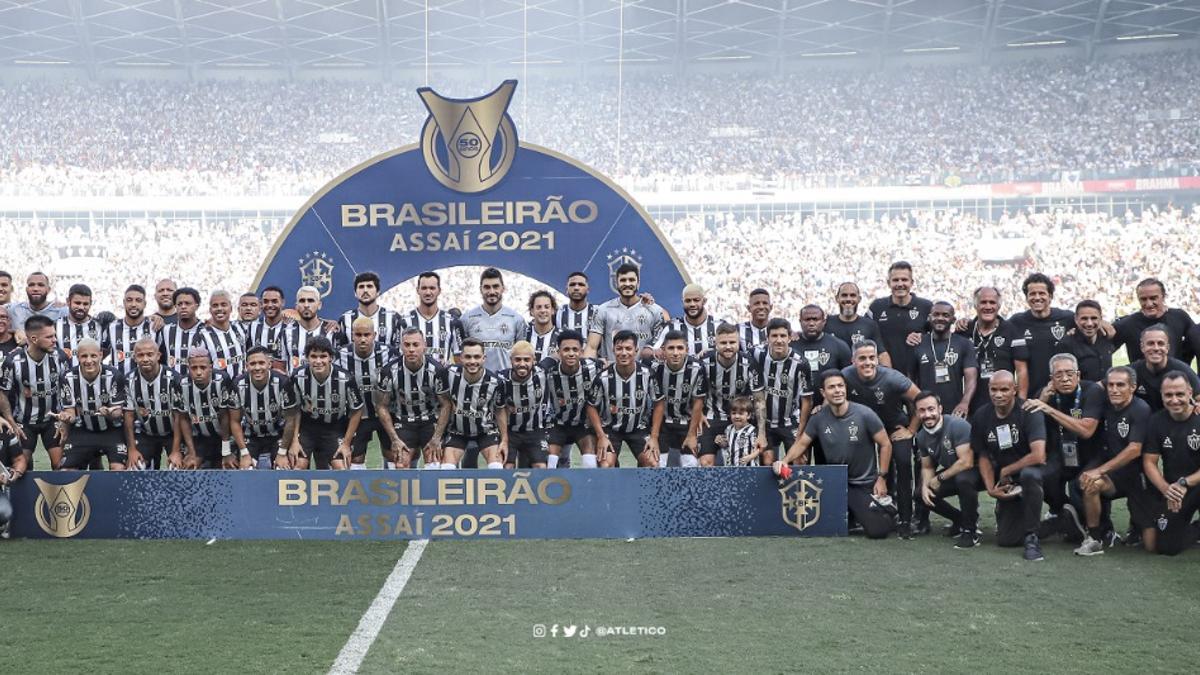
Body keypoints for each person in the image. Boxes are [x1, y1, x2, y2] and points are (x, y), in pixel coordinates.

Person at [775, 370, 894, 539]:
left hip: (863, 483)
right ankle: (856, 513)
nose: (837, 390)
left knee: (878, 531)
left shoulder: (865, 414)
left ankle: (885, 509)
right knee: (820, 525)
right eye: (831, 387)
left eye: (840, 386)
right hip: (835, 483)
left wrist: (882, 478)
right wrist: (785, 461)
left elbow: (885, 444)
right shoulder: (818, 418)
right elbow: (802, 443)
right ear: (823, 393)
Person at [1072, 366, 1156, 555]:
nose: (1114, 389)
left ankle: (1138, 526)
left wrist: (1100, 470)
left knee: (1153, 545)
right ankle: (1094, 537)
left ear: (1132, 387)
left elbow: (1134, 450)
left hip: (1136, 476)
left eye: (1120, 385)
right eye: (1110, 385)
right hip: (1112, 475)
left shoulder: (1141, 409)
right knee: (1089, 483)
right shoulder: (1104, 404)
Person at [1021, 353, 1103, 543]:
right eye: (1058, 375)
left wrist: (1047, 408)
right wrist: (1042, 399)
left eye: (1069, 373)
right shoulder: (1045, 395)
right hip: (1060, 454)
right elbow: (1027, 427)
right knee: (1035, 476)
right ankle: (1062, 515)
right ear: (1051, 379)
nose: (1065, 379)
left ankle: (1095, 525)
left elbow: (1086, 430)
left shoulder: (1092, 391)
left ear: (1079, 375)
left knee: (1082, 485)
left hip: (1090, 455)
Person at [841, 340, 921, 534]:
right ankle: (857, 515)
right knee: (854, 464)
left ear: (878, 359)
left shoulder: (893, 378)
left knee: (903, 463)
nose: (867, 362)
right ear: (853, 360)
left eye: (871, 358)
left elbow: (922, 400)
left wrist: (910, 430)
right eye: (862, 358)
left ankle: (904, 519)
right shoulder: (845, 376)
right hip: (863, 431)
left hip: (893, 427)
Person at [972, 370, 1048, 561]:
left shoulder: (1029, 411)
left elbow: (1039, 455)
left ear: (1014, 389)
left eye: (1004, 389)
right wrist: (990, 488)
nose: (998, 394)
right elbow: (982, 454)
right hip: (1006, 479)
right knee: (1007, 540)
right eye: (994, 390)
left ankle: (1032, 537)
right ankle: (1062, 520)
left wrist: (1007, 470)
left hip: (1032, 472)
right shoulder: (981, 415)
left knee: (1029, 475)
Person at [1141, 372, 1200, 556]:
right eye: (1168, 395)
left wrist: (1184, 482)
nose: (1174, 400)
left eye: (1180, 394)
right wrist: (1166, 489)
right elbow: (1149, 461)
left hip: (1192, 482)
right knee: (1165, 547)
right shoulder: (1156, 421)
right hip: (1175, 489)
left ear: (1190, 392)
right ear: (1162, 395)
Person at [914, 390, 982, 549]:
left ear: (940, 409)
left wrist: (939, 478)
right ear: (917, 413)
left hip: (980, 471)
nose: (927, 414)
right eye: (922, 410)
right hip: (956, 472)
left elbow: (966, 462)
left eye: (931, 409)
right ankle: (959, 519)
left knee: (963, 479)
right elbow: (927, 466)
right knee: (919, 494)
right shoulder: (922, 436)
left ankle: (970, 531)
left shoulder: (957, 425)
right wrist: (925, 486)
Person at [1, 315, 68, 469]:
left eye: (55, 335)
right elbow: (2, 393)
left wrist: (65, 418)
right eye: (49, 336)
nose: (54, 340)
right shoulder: (13, 361)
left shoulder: (60, 357)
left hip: (53, 419)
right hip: (24, 421)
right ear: (33, 338)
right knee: (21, 465)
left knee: (61, 465)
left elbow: (68, 387)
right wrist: (12, 422)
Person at [586, 330, 659, 468]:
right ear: (613, 350)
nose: (624, 353)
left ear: (636, 350)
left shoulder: (648, 374)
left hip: (639, 428)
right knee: (605, 464)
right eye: (619, 349)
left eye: (628, 348)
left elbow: (659, 402)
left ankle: (641, 486)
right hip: (610, 429)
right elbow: (591, 406)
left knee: (652, 463)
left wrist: (654, 437)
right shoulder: (602, 377)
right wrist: (601, 436)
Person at [431, 338, 507, 469]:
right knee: (446, 469)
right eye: (468, 357)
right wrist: (437, 437)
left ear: (484, 358)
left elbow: (500, 411)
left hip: (486, 431)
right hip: (457, 431)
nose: (472, 361)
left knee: (496, 467)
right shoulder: (448, 374)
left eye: (477, 357)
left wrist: (505, 440)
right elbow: (443, 404)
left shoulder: (496, 382)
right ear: (460, 358)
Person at [289, 337, 363, 470]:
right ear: (306, 358)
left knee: (341, 467)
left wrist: (346, 444)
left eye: (323, 356)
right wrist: (294, 440)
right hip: (307, 428)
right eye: (313, 356)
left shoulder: (345, 379)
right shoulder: (297, 376)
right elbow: (294, 410)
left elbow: (357, 410)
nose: (318, 361)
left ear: (331, 358)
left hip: (334, 427)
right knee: (298, 465)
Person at [375, 327, 444, 469]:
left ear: (424, 345)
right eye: (407, 345)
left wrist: (437, 437)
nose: (411, 349)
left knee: (435, 466)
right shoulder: (389, 371)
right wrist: (394, 439)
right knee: (400, 465)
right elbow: (381, 406)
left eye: (416, 344)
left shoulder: (437, 370)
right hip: (404, 421)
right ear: (401, 346)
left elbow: (446, 405)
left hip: (430, 421)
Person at [700, 323, 766, 467]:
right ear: (715, 343)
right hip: (713, 416)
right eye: (723, 343)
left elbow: (759, 400)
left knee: (744, 460)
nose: (728, 346)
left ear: (738, 343)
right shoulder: (704, 363)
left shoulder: (749, 363)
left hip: (741, 416)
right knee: (706, 462)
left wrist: (761, 433)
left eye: (732, 342)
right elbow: (695, 392)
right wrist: (698, 413)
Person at [56, 339, 128, 471]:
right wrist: (65, 417)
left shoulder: (114, 376)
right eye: (84, 356)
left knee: (119, 469)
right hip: (83, 429)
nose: (89, 361)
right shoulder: (67, 377)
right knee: (66, 471)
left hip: (111, 430)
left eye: (93, 356)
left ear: (100, 355)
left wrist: (110, 412)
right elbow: (70, 413)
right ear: (77, 356)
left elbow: (119, 413)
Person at [956, 286, 1027, 414]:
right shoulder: (964, 331)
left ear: (999, 306)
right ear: (975, 305)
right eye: (983, 302)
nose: (988, 307)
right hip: (972, 404)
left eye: (992, 302)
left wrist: (1021, 402)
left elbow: (1021, 371)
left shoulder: (1012, 331)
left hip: (1004, 403)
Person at [752, 318, 812, 465]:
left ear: (790, 338)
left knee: (799, 461)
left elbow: (807, 401)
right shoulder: (756, 354)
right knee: (767, 461)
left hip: (790, 420)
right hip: (764, 421)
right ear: (767, 338)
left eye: (783, 336)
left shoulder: (801, 363)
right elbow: (733, 353)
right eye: (774, 336)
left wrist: (800, 435)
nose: (779, 340)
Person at [230, 346, 300, 470]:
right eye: (253, 364)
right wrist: (244, 453)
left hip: (277, 435)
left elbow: (290, 420)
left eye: (261, 363)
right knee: (246, 471)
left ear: (269, 364)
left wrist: (282, 453)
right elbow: (234, 421)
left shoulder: (283, 383)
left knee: (282, 470)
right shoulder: (237, 384)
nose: (257, 368)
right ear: (247, 366)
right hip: (251, 435)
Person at [1008, 273, 1074, 400]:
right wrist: (967, 323)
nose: (1037, 297)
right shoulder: (1016, 322)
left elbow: (1090, 322)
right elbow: (993, 326)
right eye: (1032, 294)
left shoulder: (1068, 318)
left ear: (1050, 296)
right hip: (1033, 395)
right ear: (1026, 297)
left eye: (1042, 293)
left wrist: (1103, 324)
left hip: (1064, 391)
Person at [337, 317, 392, 469]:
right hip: (356, 416)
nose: (362, 339)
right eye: (358, 335)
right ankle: (358, 491)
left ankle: (391, 489)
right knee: (355, 459)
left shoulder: (388, 353)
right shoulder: (340, 355)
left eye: (366, 335)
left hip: (385, 414)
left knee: (393, 455)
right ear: (352, 335)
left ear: (374, 335)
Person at [123, 336, 184, 470]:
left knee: (178, 469)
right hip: (146, 434)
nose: (145, 359)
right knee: (134, 469)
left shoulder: (174, 379)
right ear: (134, 358)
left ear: (158, 356)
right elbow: (129, 417)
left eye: (150, 354)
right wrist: (132, 449)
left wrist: (176, 451)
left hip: (172, 434)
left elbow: (179, 417)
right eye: (140, 355)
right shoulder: (129, 380)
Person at [586, 263, 666, 364]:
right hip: (611, 373)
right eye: (623, 280)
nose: (627, 284)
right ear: (616, 283)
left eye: (631, 280)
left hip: (645, 374)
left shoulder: (654, 310)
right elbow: (591, 347)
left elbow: (663, 344)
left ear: (638, 282)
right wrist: (588, 370)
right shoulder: (603, 310)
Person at [650, 330, 707, 468]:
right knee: (656, 464)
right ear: (663, 350)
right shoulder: (654, 368)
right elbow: (658, 403)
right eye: (671, 348)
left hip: (686, 421)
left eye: (680, 348)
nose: (676, 353)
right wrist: (654, 437)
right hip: (662, 423)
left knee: (691, 464)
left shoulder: (697, 368)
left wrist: (692, 435)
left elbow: (698, 401)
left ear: (687, 349)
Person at [544, 330, 601, 468]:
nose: (571, 353)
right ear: (558, 352)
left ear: (581, 352)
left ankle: (589, 489)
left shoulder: (594, 368)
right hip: (557, 423)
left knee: (590, 463)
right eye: (566, 349)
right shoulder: (548, 372)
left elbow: (612, 366)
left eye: (575, 349)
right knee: (550, 463)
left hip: (583, 424)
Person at [176, 346, 240, 469]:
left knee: (230, 466)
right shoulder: (181, 384)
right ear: (188, 368)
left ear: (210, 367)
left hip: (225, 437)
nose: (199, 372)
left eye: (203, 367)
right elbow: (183, 419)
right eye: (194, 368)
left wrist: (226, 452)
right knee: (189, 467)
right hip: (200, 437)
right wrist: (192, 452)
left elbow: (225, 416)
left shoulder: (222, 380)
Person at [865, 261, 932, 379]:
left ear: (912, 282)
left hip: (918, 376)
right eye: (895, 280)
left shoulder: (926, 307)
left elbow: (939, 337)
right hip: (885, 376)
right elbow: (866, 336)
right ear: (888, 283)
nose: (900, 284)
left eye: (904, 280)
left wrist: (923, 337)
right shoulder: (877, 307)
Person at [460, 268, 527, 373]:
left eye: (495, 286)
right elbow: (460, 355)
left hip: (505, 383)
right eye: (487, 287)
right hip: (477, 383)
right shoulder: (467, 319)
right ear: (480, 289)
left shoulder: (516, 319)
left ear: (503, 289)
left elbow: (522, 355)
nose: (491, 291)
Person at [1113, 278, 1193, 365]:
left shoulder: (1179, 317)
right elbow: (1105, 346)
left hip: (1176, 376)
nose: (1149, 304)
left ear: (1163, 296)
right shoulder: (1128, 323)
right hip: (1141, 378)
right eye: (1143, 299)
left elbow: (1195, 338)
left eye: (1153, 298)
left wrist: (1185, 363)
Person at [500, 341, 552, 469]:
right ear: (511, 360)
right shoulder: (501, 379)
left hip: (535, 431)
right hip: (509, 432)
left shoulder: (542, 372)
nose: (522, 364)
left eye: (526, 360)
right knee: (507, 467)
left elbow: (557, 355)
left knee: (541, 466)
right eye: (517, 359)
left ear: (534, 360)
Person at [1130, 324, 1200, 411]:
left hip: (1174, 420)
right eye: (1150, 343)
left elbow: (1198, 397)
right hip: (1143, 421)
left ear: (1167, 348)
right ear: (1142, 347)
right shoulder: (1131, 372)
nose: (1156, 348)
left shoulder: (1183, 370)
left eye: (1160, 343)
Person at [789, 305, 852, 393]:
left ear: (824, 321)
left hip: (829, 403)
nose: (811, 323)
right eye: (807, 319)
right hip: (796, 403)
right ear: (800, 321)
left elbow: (848, 378)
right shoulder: (790, 345)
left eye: (815, 319)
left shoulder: (839, 346)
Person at [403, 271, 461, 365]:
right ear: (418, 290)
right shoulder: (405, 321)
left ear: (439, 290)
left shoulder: (452, 322)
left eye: (432, 288)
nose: (428, 292)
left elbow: (459, 357)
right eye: (424, 288)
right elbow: (399, 355)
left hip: (443, 378)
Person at [827, 282, 891, 367]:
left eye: (852, 295)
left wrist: (890, 375)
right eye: (844, 295)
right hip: (835, 377)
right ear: (837, 298)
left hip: (861, 377)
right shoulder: (827, 323)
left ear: (859, 299)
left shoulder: (869, 325)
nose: (848, 299)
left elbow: (881, 353)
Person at [656, 284, 725, 357]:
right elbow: (649, 351)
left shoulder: (720, 326)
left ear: (704, 301)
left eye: (696, 300)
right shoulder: (671, 327)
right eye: (688, 301)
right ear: (683, 302)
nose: (692, 304)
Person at [281, 286, 340, 371]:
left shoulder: (331, 330)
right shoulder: (286, 331)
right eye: (302, 301)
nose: (306, 305)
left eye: (311, 300)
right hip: (295, 383)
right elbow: (282, 364)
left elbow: (337, 364)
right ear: (296, 306)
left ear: (319, 305)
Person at [338, 271, 401, 347]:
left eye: (369, 286)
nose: (365, 290)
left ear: (378, 292)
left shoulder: (393, 318)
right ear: (355, 293)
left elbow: (399, 349)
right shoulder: (345, 319)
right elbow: (340, 350)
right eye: (361, 287)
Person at [194, 290, 246, 380]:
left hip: (243, 387)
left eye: (223, 305)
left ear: (231, 308)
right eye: (215, 305)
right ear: (210, 310)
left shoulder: (240, 327)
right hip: (217, 389)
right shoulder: (202, 336)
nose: (219, 308)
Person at [105, 284, 155, 376]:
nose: (133, 304)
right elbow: (100, 354)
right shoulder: (112, 327)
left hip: (147, 385)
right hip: (120, 386)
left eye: (138, 300)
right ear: (124, 303)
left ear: (145, 304)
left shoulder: (154, 327)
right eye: (129, 300)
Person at [1062, 300, 1116, 383]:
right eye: (1084, 318)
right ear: (1076, 320)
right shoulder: (1066, 344)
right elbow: (1065, 380)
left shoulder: (1106, 337)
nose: (1089, 323)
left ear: (1101, 319)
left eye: (1094, 318)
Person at [8, 272, 67, 343]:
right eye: (31, 285)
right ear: (26, 289)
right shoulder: (14, 310)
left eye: (41, 285)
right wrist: (15, 331)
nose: (35, 289)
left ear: (48, 289)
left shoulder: (61, 312)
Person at [158, 287, 205, 373]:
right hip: (172, 384)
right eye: (180, 304)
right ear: (175, 306)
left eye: (187, 303)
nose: (183, 307)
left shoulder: (206, 330)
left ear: (196, 306)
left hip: (197, 384)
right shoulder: (166, 330)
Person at [55, 283, 103, 364]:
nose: (81, 307)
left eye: (85, 304)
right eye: (77, 303)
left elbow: (105, 351)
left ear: (90, 303)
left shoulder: (99, 326)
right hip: (64, 376)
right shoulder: (56, 326)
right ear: (68, 301)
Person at [244, 286, 290, 370]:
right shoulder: (252, 327)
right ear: (261, 304)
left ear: (282, 303)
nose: (269, 305)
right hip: (259, 379)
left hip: (285, 380)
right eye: (265, 301)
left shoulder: (291, 327)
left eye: (274, 301)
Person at [717, 397, 760, 466]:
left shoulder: (751, 430)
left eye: (740, 414)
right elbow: (726, 445)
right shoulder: (729, 429)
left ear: (748, 415)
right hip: (731, 468)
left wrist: (750, 457)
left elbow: (759, 449)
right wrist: (720, 441)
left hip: (749, 468)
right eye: (734, 413)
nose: (737, 416)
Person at [525, 290, 559, 361]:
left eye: (546, 307)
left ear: (553, 310)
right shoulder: (523, 334)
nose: (543, 311)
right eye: (538, 307)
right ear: (532, 311)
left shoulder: (561, 337)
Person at [737, 288, 772, 352]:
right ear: (749, 308)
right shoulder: (737, 330)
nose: (761, 307)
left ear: (771, 307)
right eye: (757, 303)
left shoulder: (779, 329)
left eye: (765, 303)